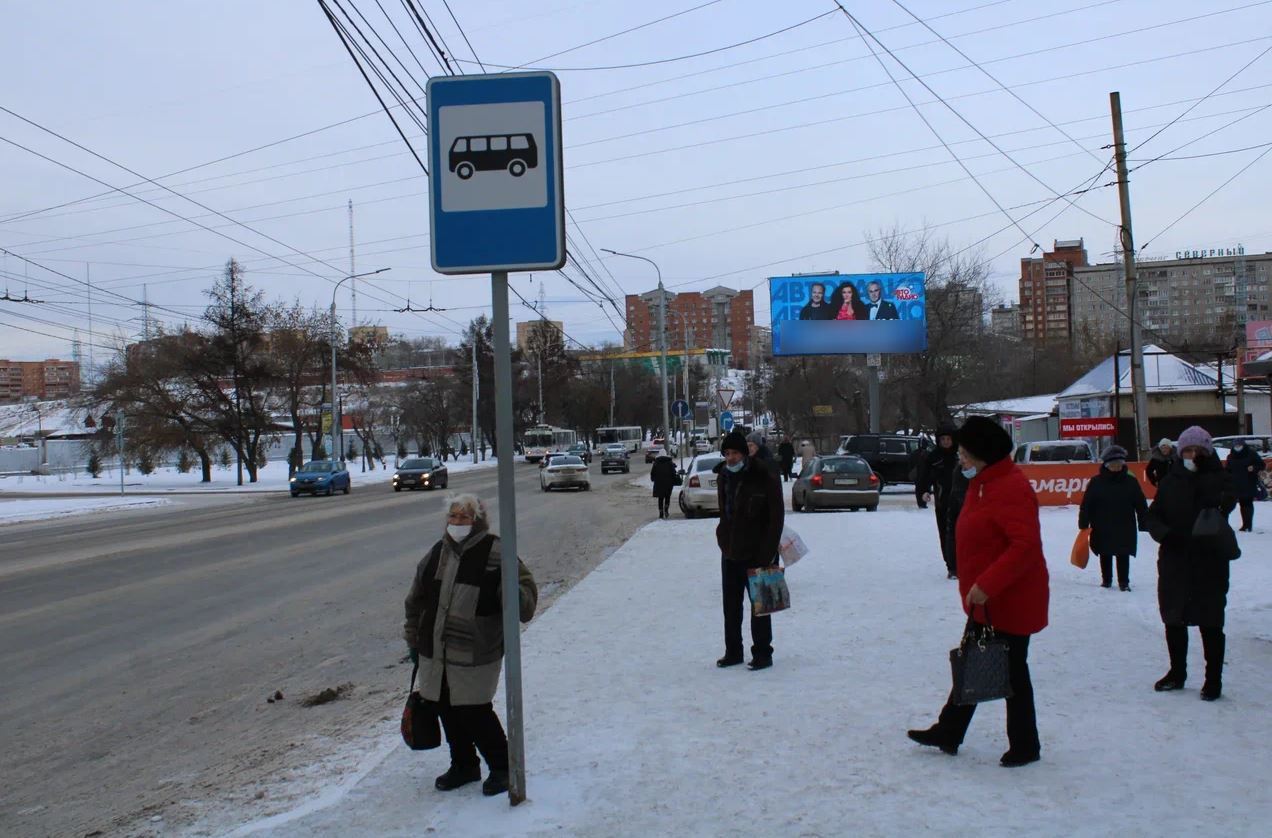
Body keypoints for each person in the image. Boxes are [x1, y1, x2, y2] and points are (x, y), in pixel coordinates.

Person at [908, 415, 1049, 767]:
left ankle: (1025, 745)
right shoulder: (984, 482)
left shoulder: (1010, 487)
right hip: (986, 599)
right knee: (974, 660)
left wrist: (986, 585)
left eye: (966, 454)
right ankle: (949, 731)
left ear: (984, 455)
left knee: (1013, 673)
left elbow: (1024, 547)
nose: (961, 460)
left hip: (1010, 599)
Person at [403, 494, 538, 796]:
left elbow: (525, 595)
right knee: (446, 708)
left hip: (476, 651)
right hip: (435, 651)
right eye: (453, 516)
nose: (457, 522)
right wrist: (413, 639)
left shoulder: (496, 552)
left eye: (464, 517)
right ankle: (464, 765)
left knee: (475, 710)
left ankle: (503, 768)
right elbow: (415, 601)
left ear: (477, 520)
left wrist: (516, 596)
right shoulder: (437, 553)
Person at [1146, 426, 1238, 700]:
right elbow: (1153, 517)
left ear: (1207, 452)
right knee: (1174, 618)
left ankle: (1213, 680)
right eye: (1187, 450)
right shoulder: (1171, 480)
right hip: (1175, 559)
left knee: (1210, 621)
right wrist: (1166, 534)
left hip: (1209, 560)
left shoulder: (1219, 478)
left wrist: (1211, 485)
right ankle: (1177, 672)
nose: (1191, 455)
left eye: (1197, 451)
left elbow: (1228, 502)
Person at [715, 429, 784, 671]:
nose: (730, 458)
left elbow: (776, 517)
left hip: (759, 552)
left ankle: (763, 653)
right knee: (731, 607)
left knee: (761, 608)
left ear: (745, 454)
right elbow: (725, 513)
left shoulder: (764, 475)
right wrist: (722, 537)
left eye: (734, 453)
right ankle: (733, 651)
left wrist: (767, 551)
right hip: (731, 552)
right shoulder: (724, 476)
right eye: (727, 453)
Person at [1078, 445, 1148, 591]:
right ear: (1106, 464)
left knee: (1123, 553)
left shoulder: (1131, 482)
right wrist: (1083, 522)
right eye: (1113, 464)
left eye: (1119, 464)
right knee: (1105, 552)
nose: (1116, 467)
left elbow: (1140, 503)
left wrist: (1144, 521)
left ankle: (1124, 582)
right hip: (1102, 524)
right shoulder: (1096, 482)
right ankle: (1106, 580)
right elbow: (1087, 504)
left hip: (1125, 523)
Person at [917, 424, 960, 577]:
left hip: (962, 502)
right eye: (943, 439)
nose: (946, 442)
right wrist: (924, 491)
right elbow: (924, 477)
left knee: (962, 533)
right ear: (939, 440)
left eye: (949, 439)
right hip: (943, 502)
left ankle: (962, 564)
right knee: (947, 534)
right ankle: (951, 566)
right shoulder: (933, 457)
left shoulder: (961, 455)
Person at [1224, 439, 1265, 532]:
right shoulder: (1231, 456)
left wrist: (1254, 468)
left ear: (1243, 445)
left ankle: (1247, 525)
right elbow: (1227, 469)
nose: (1237, 447)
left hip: (1248, 482)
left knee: (1246, 503)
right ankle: (1227, 525)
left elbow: (1261, 465)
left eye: (1239, 445)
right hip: (1235, 484)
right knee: (1229, 504)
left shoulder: (1251, 454)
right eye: (1236, 446)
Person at [650, 450, 678, 519]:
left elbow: (652, 473)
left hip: (659, 483)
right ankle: (666, 509)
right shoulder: (669, 462)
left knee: (660, 498)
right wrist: (674, 480)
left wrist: (653, 479)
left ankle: (661, 512)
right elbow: (673, 473)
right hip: (668, 483)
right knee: (667, 497)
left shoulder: (656, 463)